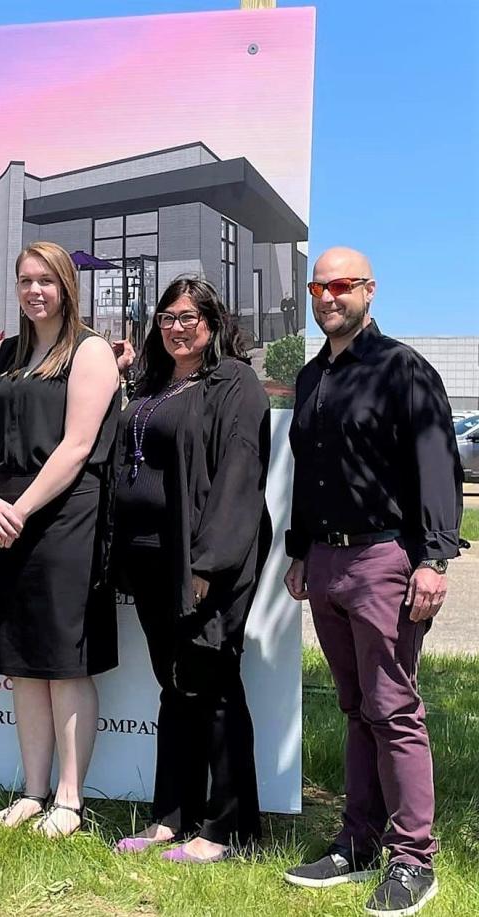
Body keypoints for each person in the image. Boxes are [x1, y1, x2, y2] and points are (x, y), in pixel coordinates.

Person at [282, 247, 460, 916]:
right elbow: (308, 476)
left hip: (387, 559)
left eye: (342, 285)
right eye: (318, 286)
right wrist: (300, 552)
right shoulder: (309, 378)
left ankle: (414, 857)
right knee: (355, 707)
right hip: (325, 562)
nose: (329, 296)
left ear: (369, 291)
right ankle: (358, 843)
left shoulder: (402, 368)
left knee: (394, 709)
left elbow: (437, 462)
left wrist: (434, 558)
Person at [110, 277, 271, 863]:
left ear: (212, 321)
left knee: (214, 687)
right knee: (175, 687)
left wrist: (210, 562)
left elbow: (240, 473)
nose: (177, 327)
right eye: (167, 317)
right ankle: (171, 817)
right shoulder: (153, 383)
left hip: (203, 562)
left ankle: (227, 828)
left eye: (188, 316)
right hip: (150, 560)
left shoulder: (233, 382)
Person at [0, 241, 120, 838]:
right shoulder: (2, 354)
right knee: (23, 665)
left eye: (46, 281)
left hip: (62, 522)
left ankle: (69, 800)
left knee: (63, 662)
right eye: (25, 280)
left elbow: (78, 447)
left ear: (66, 287)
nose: (34, 291)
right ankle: (32, 792)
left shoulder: (90, 352)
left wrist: (20, 509)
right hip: (1, 519)